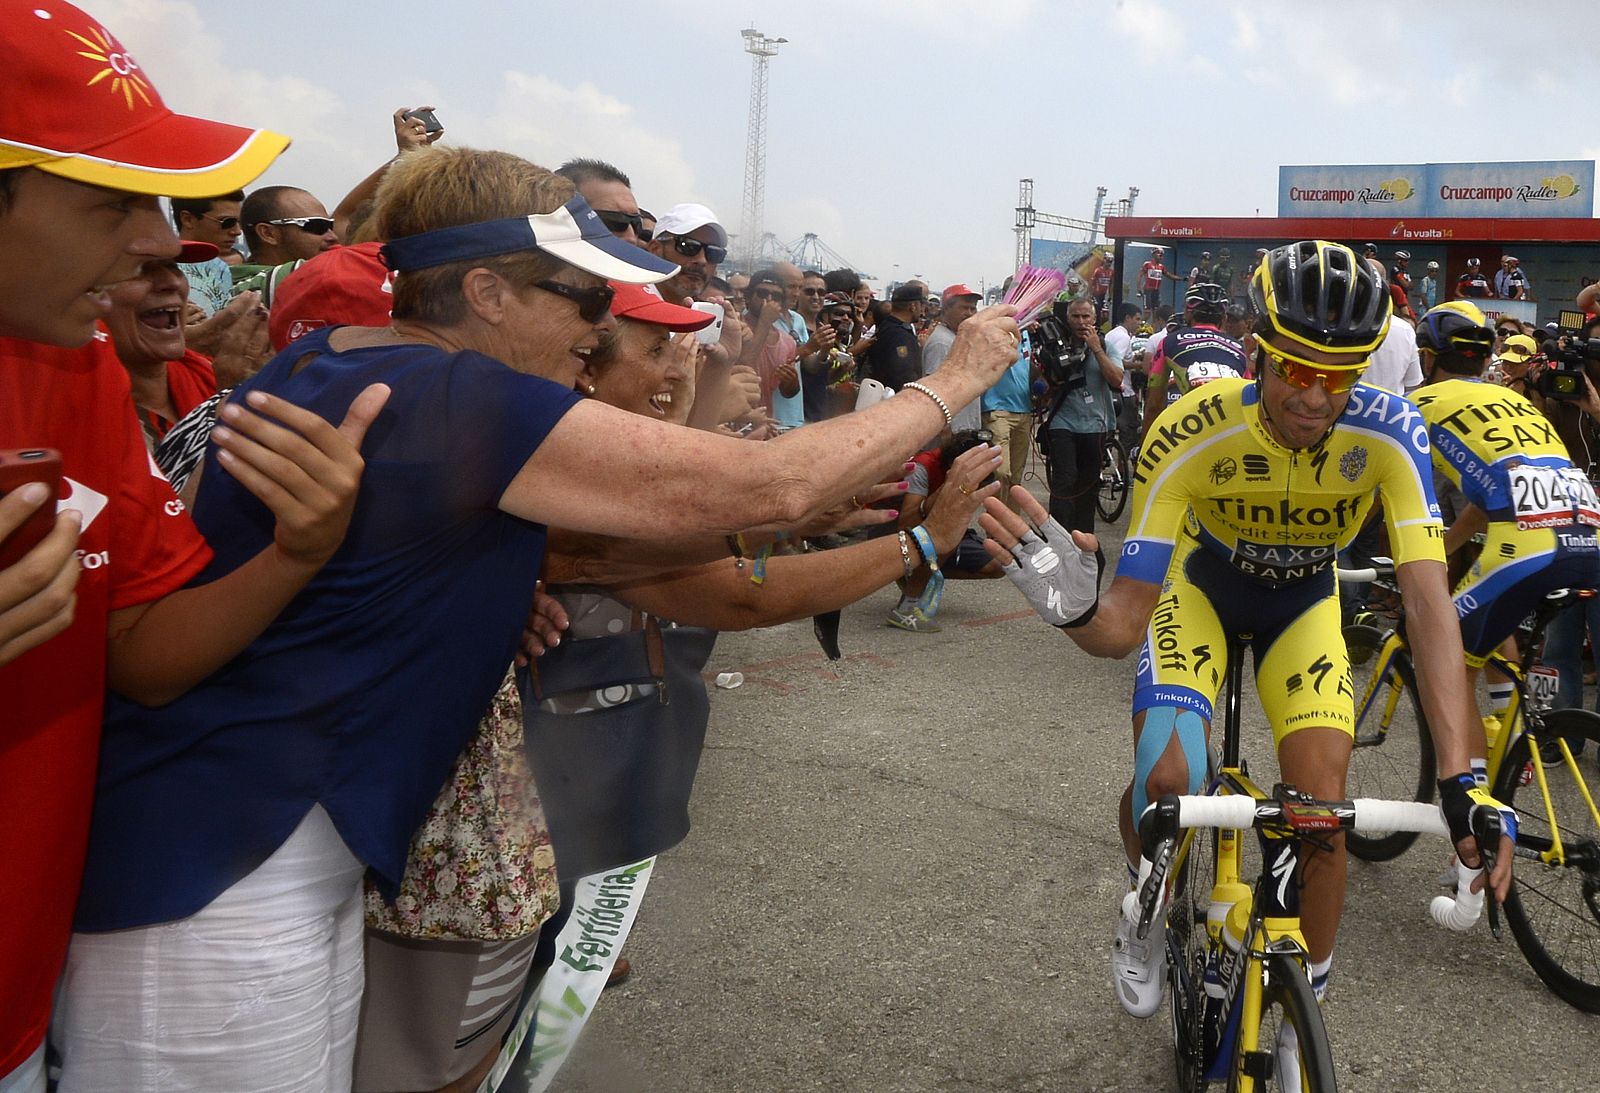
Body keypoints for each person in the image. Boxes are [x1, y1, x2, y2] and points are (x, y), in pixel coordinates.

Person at [53, 144, 1023, 1091]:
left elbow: (594, 552)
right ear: (486, 293)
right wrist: (958, 379)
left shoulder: (356, 363)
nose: (598, 331)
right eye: (585, 297)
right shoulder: (450, 393)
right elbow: (772, 484)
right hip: (220, 885)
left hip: (245, 857)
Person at [0, 2, 390, 1088]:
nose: (159, 242)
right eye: (114, 198)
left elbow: (140, 648)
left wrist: (297, 551)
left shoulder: (69, 364)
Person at [979, 240, 1514, 1028]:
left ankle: (1305, 1014)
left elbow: (1431, 605)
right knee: (1169, 783)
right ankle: (1146, 906)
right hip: (1204, 590)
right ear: (1256, 349)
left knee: (1323, 814)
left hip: (1303, 603)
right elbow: (1125, 622)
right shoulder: (1193, 425)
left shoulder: (1394, 429)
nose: (1312, 396)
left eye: (1338, 376)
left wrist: (1463, 779)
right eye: (1293, 368)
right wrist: (1078, 610)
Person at [1411, 300, 1600, 727]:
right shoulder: (1517, 402)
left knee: (1445, 665)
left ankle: (1470, 783)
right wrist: (1446, 547)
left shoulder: (1417, 405)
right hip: (1588, 534)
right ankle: (1514, 731)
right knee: (1495, 624)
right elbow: (1490, 500)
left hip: (1526, 547)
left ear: (1427, 356)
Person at [1035, 295, 1121, 561]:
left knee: (1088, 484)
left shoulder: (1106, 345)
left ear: (1095, 319)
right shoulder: (1053, 344)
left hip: (1095, 424)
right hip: (1064, 422)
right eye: (1076, 316)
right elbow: (1039, 388)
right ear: (1067, 318)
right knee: (1065, 480)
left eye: (1086, 316)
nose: (1081, 322)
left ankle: (1084, 539)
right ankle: (1057, 540)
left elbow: (1117, 380)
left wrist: (1096, 348)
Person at [1138, 283, 1245, 440]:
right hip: (1232, 431)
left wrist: (1143, 450)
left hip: (1192, 430)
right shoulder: (1240, 348)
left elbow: (1154, 405)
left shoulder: (1169, 342)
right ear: (1224, 317)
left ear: (1188, 313)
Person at [923, 283, 983, 432]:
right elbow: (935, 391)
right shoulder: (941, 342)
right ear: (946, 309)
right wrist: (944, 430)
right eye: (963, 308)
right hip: (951, 433)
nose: (969, 313)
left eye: (972, 308)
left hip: (965, 427)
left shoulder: (958, 339)